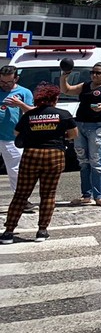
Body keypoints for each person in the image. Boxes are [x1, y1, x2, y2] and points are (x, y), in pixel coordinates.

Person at [1, 82, 78, 244]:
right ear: (55, 99)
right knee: (48, 194)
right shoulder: (63, 114)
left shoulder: (30, 115)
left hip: (31, 154)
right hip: (54, 155)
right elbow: (73, 134)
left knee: (21, 194)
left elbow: (17, 133)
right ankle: (42, 231)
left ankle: (8, 232)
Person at [60, 61, 101, 208]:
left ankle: (99, 196)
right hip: (80, 125)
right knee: (83, 162)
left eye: (98, 73)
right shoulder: (85, 85)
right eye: (92, 72)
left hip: (98, 127)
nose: (94, 75)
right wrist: (64, 76)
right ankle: (86, 195)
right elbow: (67, 90)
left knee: (97, 163)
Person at [0, 66, 37, 209]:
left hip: (11, 137)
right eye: (2, 82)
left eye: (8, 82)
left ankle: (21, 200)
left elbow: (32, 111)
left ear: (16, 79)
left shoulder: (23, 92)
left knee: (15, 170)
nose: (4, 85)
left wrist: (20, 104)